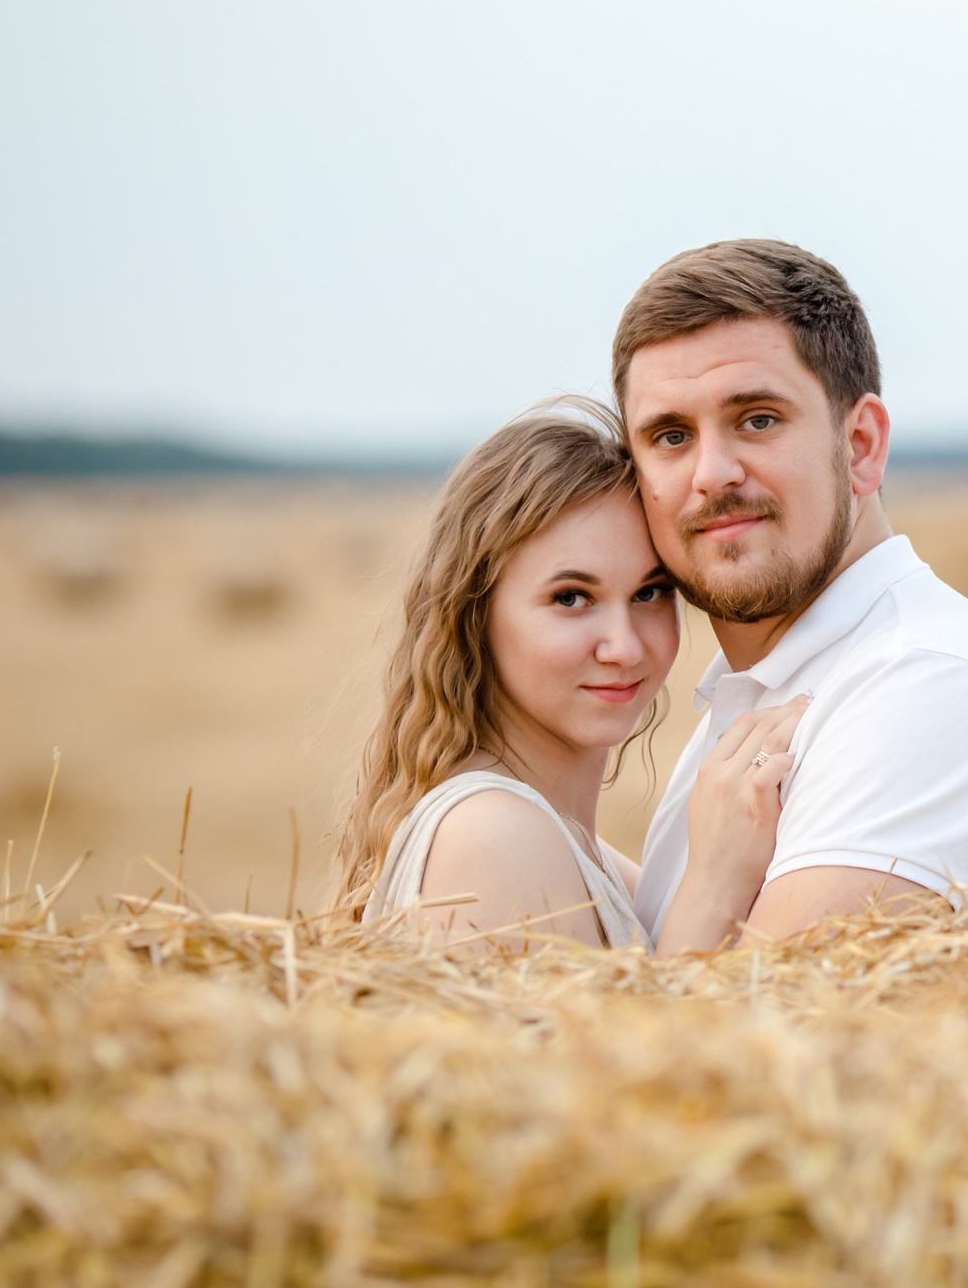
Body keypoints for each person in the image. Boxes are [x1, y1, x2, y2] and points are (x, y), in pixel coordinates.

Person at [616, 239, 968, 950]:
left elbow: (736, 1045)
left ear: (860, 445)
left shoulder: (930, 684)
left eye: (757, 418)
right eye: (670, 435)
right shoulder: (765, 692)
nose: (713, 473)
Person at [334, 398, 802, 953]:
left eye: (649, 593)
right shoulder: (492, 837)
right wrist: (712, 888)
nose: (625, 647)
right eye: (572, 597)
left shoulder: (578, 851)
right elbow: (642, 1040)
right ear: (474, 614)